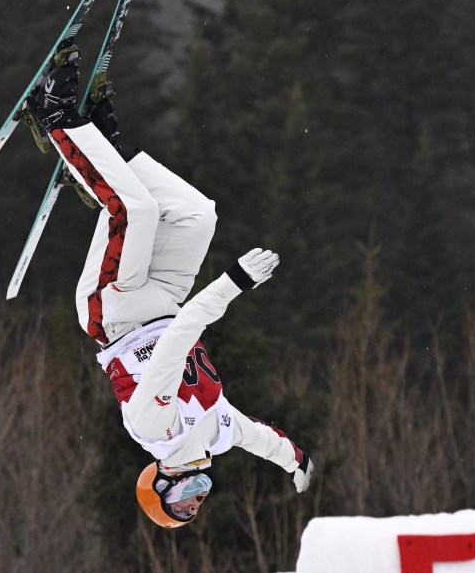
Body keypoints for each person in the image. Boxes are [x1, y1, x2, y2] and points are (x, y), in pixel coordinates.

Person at [24, 40, 314, 528]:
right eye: (196, 506)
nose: (197, 499)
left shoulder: (154, 427)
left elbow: (180, 340)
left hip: (112, 312)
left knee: (134, 212)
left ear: (158, 483)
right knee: (198, 217)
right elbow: (262, 438)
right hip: (163, 302)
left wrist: (233, 282)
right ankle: (109, 152)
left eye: (183, 502)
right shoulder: (218, 433)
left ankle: (52, 117)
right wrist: (297, 461)